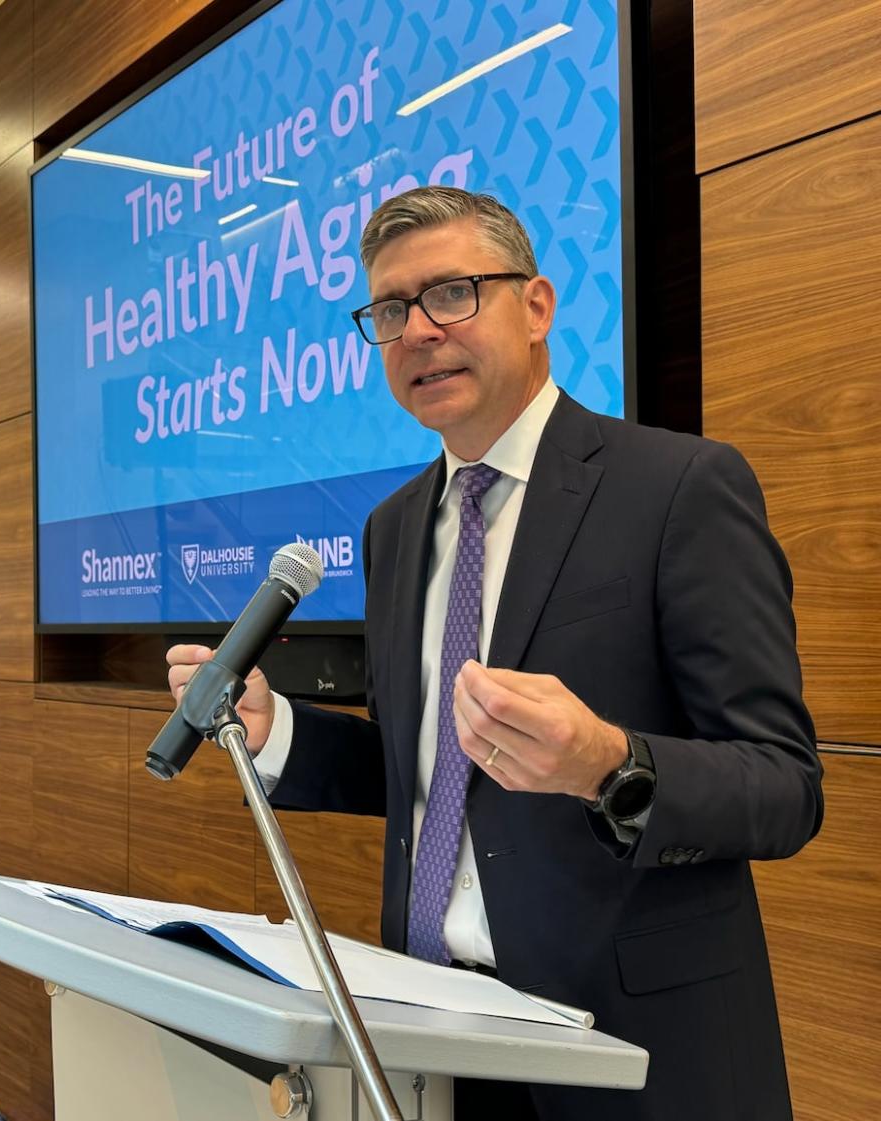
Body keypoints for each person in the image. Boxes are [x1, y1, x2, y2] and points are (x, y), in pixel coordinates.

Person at [167, 187, 823, 1120]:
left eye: (454, 292)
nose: (419, 330)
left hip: (628, 1044)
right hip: (433, 1031)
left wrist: (609, 764)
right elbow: (426, 769)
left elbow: (785, 785)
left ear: (538, 306)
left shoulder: (678, 487)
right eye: (390, 310)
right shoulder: (394, 527)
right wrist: (279, 735)